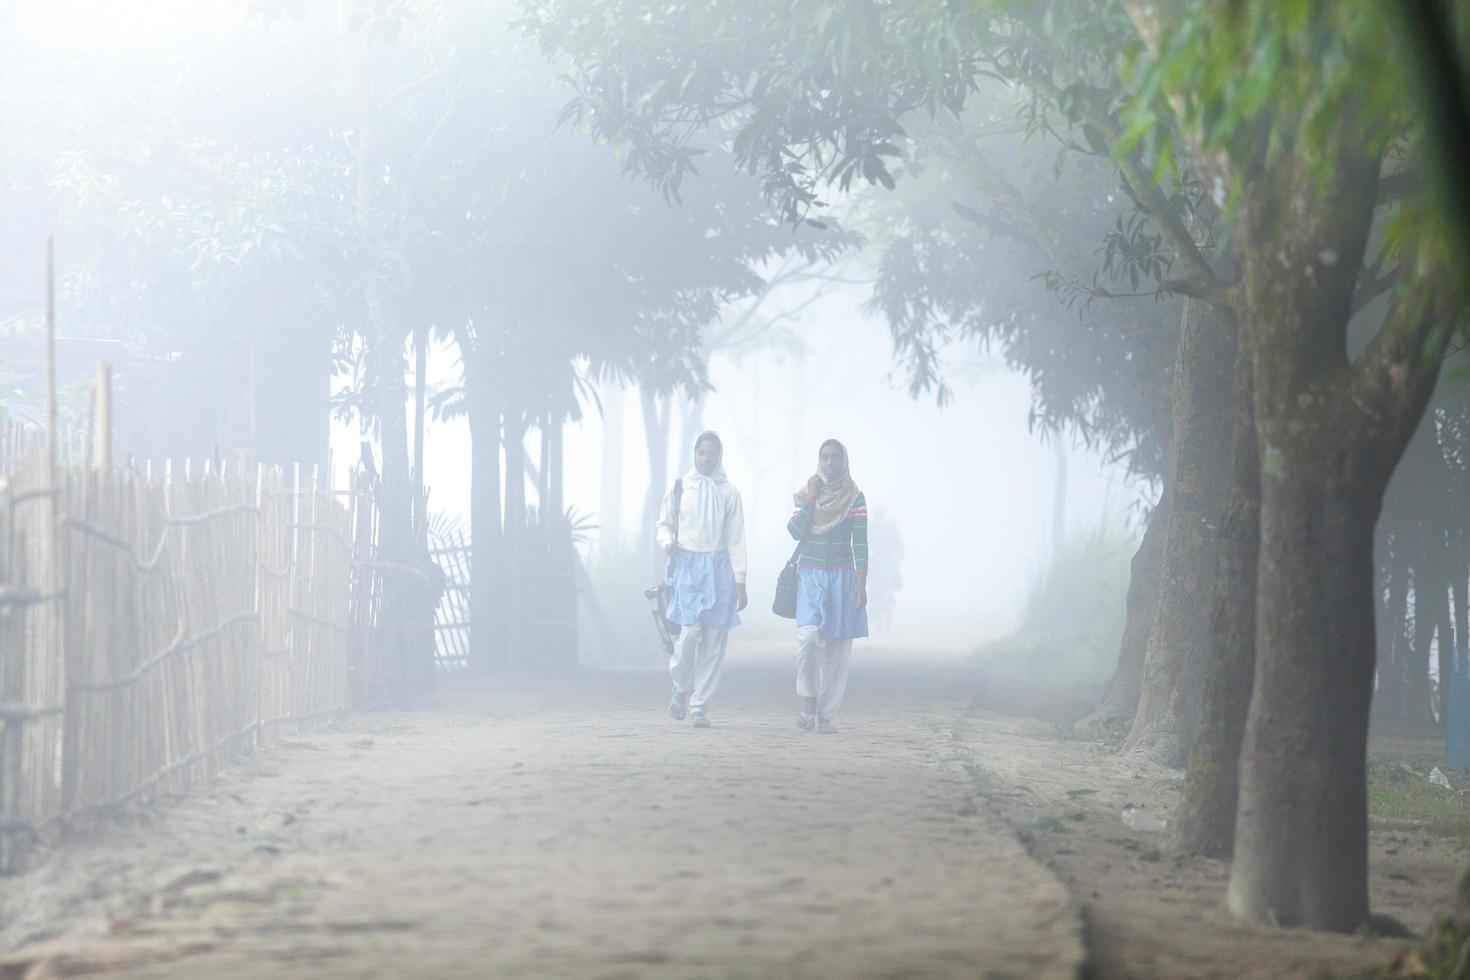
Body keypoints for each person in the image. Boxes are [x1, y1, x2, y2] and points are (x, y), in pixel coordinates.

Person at [655, 431, 748, 727]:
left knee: (714, 640)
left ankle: (700, 706)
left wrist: (740, 580)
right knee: (689, 635)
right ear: (694, 454)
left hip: (720, 568)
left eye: (712, 453)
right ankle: (682, 686)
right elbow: (663, 524)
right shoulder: (680, 487)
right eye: (701, 453)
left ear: (721, 456)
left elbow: (736, 538)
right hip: (687, 566)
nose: (706, 459)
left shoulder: (730, 492)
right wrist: (667, 542)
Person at [788, 439, 868, 734]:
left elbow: (861, 541)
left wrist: (861, 582)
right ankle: (807, 707)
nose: (830, 463)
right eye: (825, 458)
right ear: (818, 461)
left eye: (835, 458)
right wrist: (810, 498)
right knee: (808, 639)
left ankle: (825, 715)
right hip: (809, 576)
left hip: (843, 577)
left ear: (844, 461)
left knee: (838, 649)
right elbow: (795, 531)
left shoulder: (855, 497)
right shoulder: (806, 494)